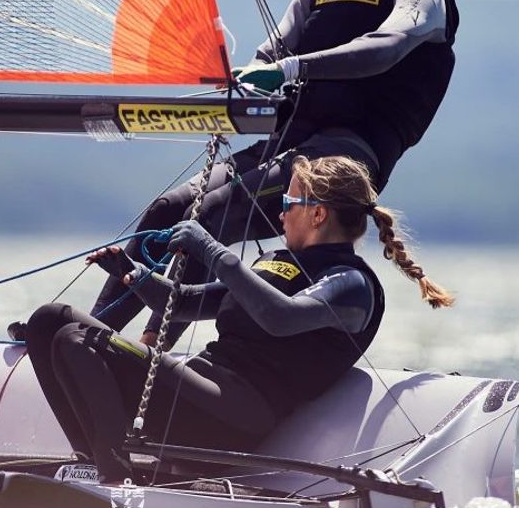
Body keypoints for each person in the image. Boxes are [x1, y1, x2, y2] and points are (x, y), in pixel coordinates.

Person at [92, 0, 511, 346]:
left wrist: (292, 69)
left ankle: (151, 350)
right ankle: (94, 333)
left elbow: (385, 46)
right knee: (168, 208)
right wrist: (250, 75)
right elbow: (270, 54)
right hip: (286, 146)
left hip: (341, 162)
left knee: (207, 216)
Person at [26, 155, 453, 483]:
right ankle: (91, 462)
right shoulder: (277, 262)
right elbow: (186, 302)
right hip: (196, 386)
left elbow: (280, 317)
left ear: (318, 214)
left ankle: (114, 480)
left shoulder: (351, 283)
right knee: (49, 320)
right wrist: (132, 273)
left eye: (287, 203)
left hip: (232, 415)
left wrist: (212, 250)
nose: (280, 214)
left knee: (75, 340)